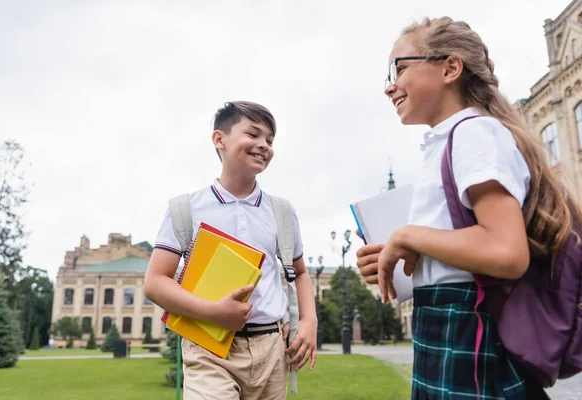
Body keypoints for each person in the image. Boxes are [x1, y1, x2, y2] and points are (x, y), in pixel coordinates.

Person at [355, 16, 580, 399]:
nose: (389, 86)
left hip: (466, 328)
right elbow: (457, 259)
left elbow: (506, 253)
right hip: (446, 324)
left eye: (400, 68)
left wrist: (410, 235)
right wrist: (396, 259)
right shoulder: (451, 141)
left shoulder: (474, 132)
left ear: (450, 67)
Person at [144, 101, 317, 400]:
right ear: (219, 139)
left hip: (272, 348)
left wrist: (309, 322)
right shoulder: (185, 210)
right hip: (207, 346)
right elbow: (155, 282)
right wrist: (215, 312)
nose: (264, 145)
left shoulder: (281, 212)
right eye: (254, 134)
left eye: (270, 140)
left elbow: (299, 272)